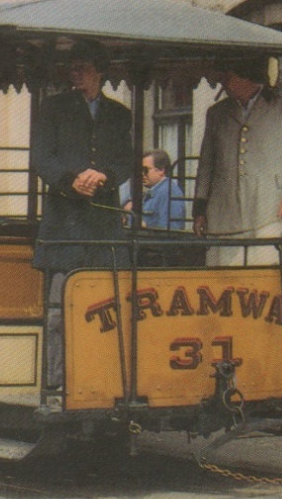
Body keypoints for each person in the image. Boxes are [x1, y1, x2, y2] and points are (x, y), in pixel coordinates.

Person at [30, 39, 133, 390]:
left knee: (106, 305)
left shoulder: (119, 115)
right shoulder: (54, 109)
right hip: (64, 226)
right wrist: (71, 181)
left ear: (100, 71)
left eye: (83, 67)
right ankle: (56, 383)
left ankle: (102, 377)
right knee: (59, 308)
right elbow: (42, 159)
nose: (76, 73)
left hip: (103, 229)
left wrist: (104, 176)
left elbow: (125, 161)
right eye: (72, 67)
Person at [193, 56, 282, 266]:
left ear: (247, 77)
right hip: (223, 214)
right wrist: (200, 210)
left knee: (265, 276)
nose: (223, 82)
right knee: (221, 278)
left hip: (269, 212)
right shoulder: (216, 114)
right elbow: (206, 167)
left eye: (228, 76)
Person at [136, 149, 187, 231]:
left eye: (145, 170)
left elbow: (168, 230)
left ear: (161, 170)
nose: (142, 174)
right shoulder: (158, 192)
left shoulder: (168, 192)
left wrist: (144, 225)